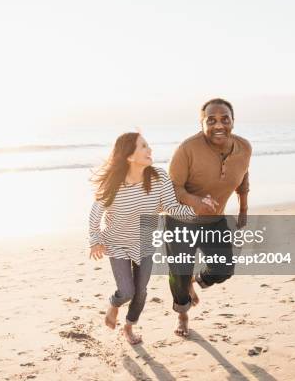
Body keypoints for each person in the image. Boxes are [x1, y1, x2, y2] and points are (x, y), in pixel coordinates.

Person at [89, 132, 196, 344]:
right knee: (127, 291)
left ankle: (128, 327)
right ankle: (114, 304)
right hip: (117, 243)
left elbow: (171, 207)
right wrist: (95, 240)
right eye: (144, 146)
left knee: (141, 292)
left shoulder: (159, 177)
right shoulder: (114, 183)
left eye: (148, 145)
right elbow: (95, 213)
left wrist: (196, 211)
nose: (150, 149)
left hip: (145, 243)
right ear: (129, 155)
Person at [167, 98, 251, 337]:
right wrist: (196, 201)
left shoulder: (244, 147)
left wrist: (243, 208)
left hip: (214, 220)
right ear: (202, 123)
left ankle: (194, 282)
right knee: (179, 272)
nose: (219, 125)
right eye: (211, 120)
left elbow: (243, 176)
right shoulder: (187, 149)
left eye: (225, 119)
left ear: (233, 121)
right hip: (180, 222)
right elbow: (172, 188)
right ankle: (182, 316)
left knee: (224, 269)